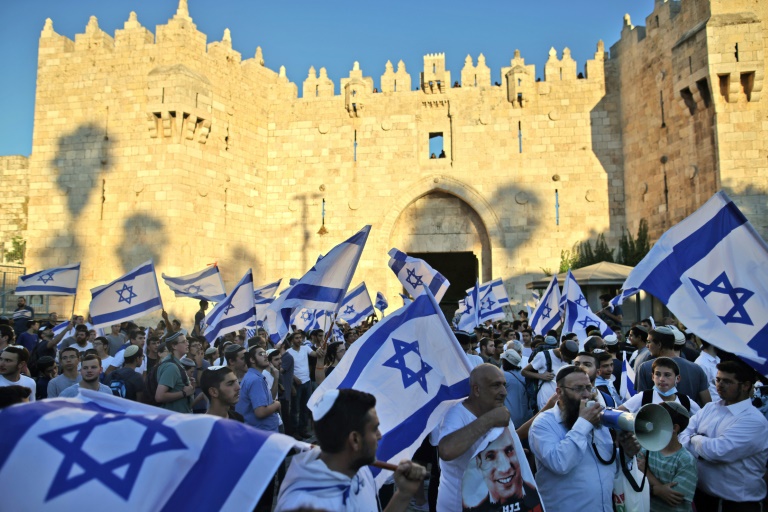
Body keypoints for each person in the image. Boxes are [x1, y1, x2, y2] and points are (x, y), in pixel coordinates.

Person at [276, 388, 427, 511]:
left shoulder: (357, 466)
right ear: (355, 440)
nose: (380, 436)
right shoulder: (308, 504)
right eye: (374, 429)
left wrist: (403, 494)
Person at [529, 366, 640, 512]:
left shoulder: (599, 421)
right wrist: (584, 424)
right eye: (579, 389)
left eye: (589, 387)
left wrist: (626, 454)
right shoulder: (543, 424)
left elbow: (607, 466)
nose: (587, 394)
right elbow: (560, 463)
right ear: (559, 392)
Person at [680, 360, 768, 512]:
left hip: (736, 504)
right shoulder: (710, 408)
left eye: (727, 381)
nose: (719, 385)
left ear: (746, 386)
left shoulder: (754, 421)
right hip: (701, 497)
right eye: (718, 379)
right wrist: (700, 443)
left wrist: (694, 438)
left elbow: (717, 452)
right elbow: (681, 433)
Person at [437, 364, 512, 511]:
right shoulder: (456, 414)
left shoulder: (496, 409)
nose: (504, 392)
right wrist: (490, 419)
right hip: (457, 505)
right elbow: (446, 450)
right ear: (477, 390)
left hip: (487, 503)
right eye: (496, 385)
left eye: (504, 385)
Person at [636, 402, 698, 512]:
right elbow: (636, 482)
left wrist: (650, 477)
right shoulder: (646, 449)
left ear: (674, 428)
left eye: (658, 420)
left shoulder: (686, 460)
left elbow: (673, 498)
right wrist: (659, 490)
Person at [464, 428, 541, 511]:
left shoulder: (538, 498)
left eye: (509, 450)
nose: (505, 469)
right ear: (479, 463)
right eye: (490, 456)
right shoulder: (472, 508)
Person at [635, 326, 711, 406]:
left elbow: (642, 404)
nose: (647, 346)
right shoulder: (696, 368)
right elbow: (707, 405)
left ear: (659, 344)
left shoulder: (645, 367)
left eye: (649, 342)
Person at [619, 357, 700, 415]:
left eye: (667, 375)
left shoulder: (685, 401)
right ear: (652, 377)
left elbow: (702, 419)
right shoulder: (644, 397)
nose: (661, 379)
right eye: (657, 374)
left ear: (677, 378)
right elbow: (618, 413)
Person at [521, 338, 578, 410]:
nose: (567, 361)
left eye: (569, 359)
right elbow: (524, 372)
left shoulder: (570, 361)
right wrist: (541, 376)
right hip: (545, 401)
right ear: (560, 351)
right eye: (566, 358)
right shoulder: (543, 356)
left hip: (562, 401)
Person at [287, 331, 323, 438]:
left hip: (307, 382)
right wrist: (294, 378)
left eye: (300, 338)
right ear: (292, 340)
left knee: (305, 408)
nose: (299, 340)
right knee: (295, 409)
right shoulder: (288, 352)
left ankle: (302, 430)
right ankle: (295, 432)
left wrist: (321, 348)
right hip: (296, 383)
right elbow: (287, 369)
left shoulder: (305, 348)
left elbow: (315, 354)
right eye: (297, 338)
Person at [236, 346, 281, 431]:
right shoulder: (255, 380)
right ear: (252, 360)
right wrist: (277, 404)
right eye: (261, 354)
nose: (265, 356)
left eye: (265, 353)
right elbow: (260, 412)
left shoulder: (253, 377)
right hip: (263, 432)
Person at [154, 333, 194, 413]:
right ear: (174, 346)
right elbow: (159, 396)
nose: (187, 344)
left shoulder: (175, 363)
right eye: (183, 342)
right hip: (176, 417)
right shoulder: (171, 367)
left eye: (187, 341)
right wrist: (184, 393)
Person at [499, 349, 532, 427]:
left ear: (505, 361)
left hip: (511, 419)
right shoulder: (525, 374)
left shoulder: (504, 376)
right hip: (527, 418)